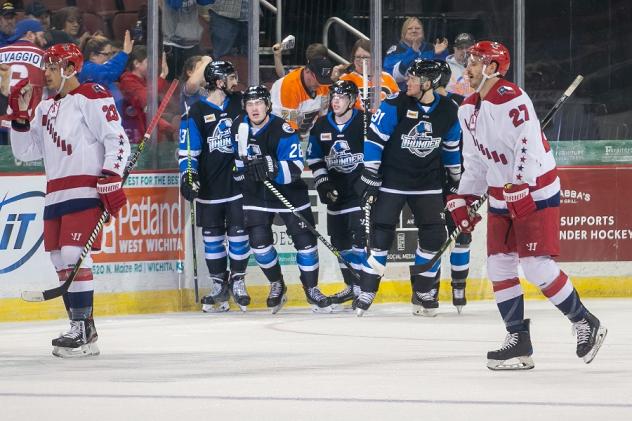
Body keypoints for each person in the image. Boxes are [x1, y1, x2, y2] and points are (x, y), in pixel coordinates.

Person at [450, 40, 607, 370]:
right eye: (469, 61)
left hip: (535, 190)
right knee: (499, 265)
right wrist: (464, 197)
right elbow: (475, 161)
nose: (468, 67)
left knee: (535, 265)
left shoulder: (512, 98)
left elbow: (528, 146)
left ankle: (585, 321)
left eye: (476, 62)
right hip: (499, 194)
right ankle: (518, 340)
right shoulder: (467, 109)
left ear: (493, 68)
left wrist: (520, 184)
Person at [9, 43, 130, 358]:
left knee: (75, 254)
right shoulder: (45, 107)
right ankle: (81, 328)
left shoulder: (92, 95)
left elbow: (116, 138)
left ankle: (82, 330)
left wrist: (110, 175)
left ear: (70, 68)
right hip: (56, 192)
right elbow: (25, 152)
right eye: (46, 68)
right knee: (60, 260)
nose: (45, 74)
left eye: (51, 67)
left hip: (85, 189)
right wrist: (19, 117)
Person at [354, 59, 461, 316]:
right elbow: (374, 139)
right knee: (381, 236)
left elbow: (451, 148)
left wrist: (456, 180)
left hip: (428, 183)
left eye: (414, 79)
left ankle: (423, 290)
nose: (408, 82)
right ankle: (368, 289)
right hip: (393, 181)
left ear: (430, 84)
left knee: (435, 238)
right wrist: (370, 172)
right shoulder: (395, 104)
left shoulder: (448, 109)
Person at [232, 85, 333, 314]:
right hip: (256, 193)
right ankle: (277, 284)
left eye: (258, 103)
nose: (254, 108)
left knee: (305, 243)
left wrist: (270, 167)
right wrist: (244, 172)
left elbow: (296, 168)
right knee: (258, 243)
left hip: (290, 193)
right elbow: (238, 162)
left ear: (268, 105)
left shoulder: (283, 129)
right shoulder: (239, 126)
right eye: (250, 104)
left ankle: (312, 289)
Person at [179, 60, 251, 312]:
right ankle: (219, 285)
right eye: (231, 77)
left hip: (238, 185)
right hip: (210, 187)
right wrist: (188, 176)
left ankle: (238, 282)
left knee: (239, 234)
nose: (236, 81)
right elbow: (188, 153)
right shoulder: (195, 112)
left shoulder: (241, 102)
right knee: (213, 238)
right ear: (219, 82)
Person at [307, 80, 366, 305]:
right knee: (340, 242)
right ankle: (351, 285)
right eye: (334, 97)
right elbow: (314, 159)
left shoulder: (364, 122)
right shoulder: (321, 125)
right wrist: (323, 183)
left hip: (359, 192)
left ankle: (362, 286)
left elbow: (377, 152)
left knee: (360, 239)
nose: (336, 101)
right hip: (336, 195)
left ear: (352, 100)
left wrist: (371, 181)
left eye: (341, 97)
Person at [428, 59, 469, 313]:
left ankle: (458, 286)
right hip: (434, 180)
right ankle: (435, 287)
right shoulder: (422, 106)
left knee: (461, 233)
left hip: (459, 179)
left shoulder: (460, 106)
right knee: (434, 236)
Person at [270, 43, 333, 141]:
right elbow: (289, 127)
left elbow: (322, 119)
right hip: (281, 137)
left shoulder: (324, 83)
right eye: (318, 79)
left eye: (323, 80)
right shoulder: (289, 85)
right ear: (307, 70)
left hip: (305, 135)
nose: (320, 84)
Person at [0, 19, 47, 145]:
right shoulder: (44, 56)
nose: (45, 41)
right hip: (26, 125)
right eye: (41, 36)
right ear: (30, 35)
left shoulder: (1, 52)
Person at [119, 46, 174, 142]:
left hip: (148, 132)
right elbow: (145, 97)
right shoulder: (127, 80)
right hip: (136, 136)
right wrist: (162, 76)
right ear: (136, 63)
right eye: (148, 62)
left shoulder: (146, 81)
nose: (152, 66)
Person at [383, 17, 449, 90]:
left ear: (423, 32)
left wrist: (437, 54)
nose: (414, 31)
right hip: (402, 95)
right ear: (403, 32)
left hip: (427, 96)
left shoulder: (430, 48)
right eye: (410, 28)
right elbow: (392, 76)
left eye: (417, 28)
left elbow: (440, 76)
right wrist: (413, 51)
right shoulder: (395, 50)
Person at [79, 31, 134, 113]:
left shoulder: (100, 70)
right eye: (107, 54)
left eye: (111, 54)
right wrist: (125, 53)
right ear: (93, 55)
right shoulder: (87, 69)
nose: (110, 58)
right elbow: (109, 71)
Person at [339, 39, 399, 110]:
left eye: (365, 57)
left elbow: (399, 101)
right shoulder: (345, 79)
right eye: (358, 57)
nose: (361, 61)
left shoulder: (387, 77)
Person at [163, 0, 215, 81]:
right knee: (173, 84)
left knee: (194, 80)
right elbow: (175, 4)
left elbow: (207, 1)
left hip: (192, 42)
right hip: (173, 43)